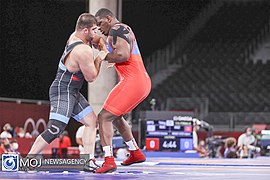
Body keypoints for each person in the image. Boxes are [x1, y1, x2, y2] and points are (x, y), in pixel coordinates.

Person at [25, 13, 108, 172]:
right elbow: (91, 78)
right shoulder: (82, 50)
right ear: (85, 30)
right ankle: (28, 160)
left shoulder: (75, 37)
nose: (96, 33)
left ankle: (88, 161)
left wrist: (99, 41)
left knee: (92, 121)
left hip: (72, 90)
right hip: (62, 90)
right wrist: (101, 56)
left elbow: (95, 40)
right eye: (94, 30)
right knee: (55, 129)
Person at [94, 8, 151, 173]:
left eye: (100, 24)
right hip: (138, 81)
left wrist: (103, 56)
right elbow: (120, 54)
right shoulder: (121, 30)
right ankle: (135, 152)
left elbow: (123, 55)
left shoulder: (117, 29)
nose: (99, 28)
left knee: (103, 117)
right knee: (116, 117)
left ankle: (109, 160)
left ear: (108, 18)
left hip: (134, 81)